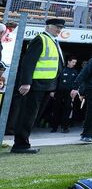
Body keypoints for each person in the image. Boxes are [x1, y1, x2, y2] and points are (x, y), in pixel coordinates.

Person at [8, 18, 65, 153]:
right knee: (28, 115)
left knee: (33, 116)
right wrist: (26, 82)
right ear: (48, 27)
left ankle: (23, 142)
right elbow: (28, 62)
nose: (59, 30)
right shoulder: (41, 39)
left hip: (46, 85)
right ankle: (20, 145)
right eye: (57, 27)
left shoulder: (52, 40)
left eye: (61, 28)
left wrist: (53, 86)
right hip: (36, 85)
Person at [51, 57, 79, 133]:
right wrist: (53, 91)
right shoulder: (61, 70)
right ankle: (54, 127)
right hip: (59, 92)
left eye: (75, 62)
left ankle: (65, 127)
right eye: (73, 62)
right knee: (56, 109)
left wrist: (75, 90)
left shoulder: (75, 72)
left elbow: (77, 82)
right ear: (68, 62)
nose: (74, 64)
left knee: (67, 109)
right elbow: (56, 80)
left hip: (69, 93)